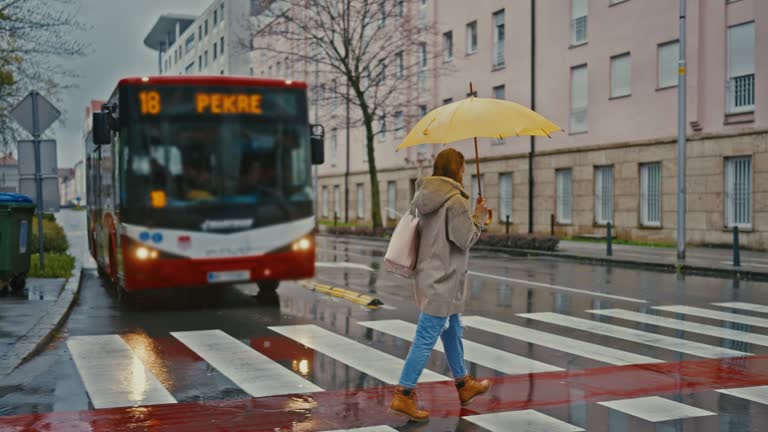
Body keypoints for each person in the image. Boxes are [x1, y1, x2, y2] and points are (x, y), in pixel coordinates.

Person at [389, 148, 491, 422]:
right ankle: (403, 394)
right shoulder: (455, 201)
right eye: (463, 166)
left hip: (429, 275)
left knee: (453, 329)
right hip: (444, 280)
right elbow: (464, 238)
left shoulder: (423, 196)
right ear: (456, 169)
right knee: (425, 338)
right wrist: (479, 216)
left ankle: (463, 383)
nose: (465, 171)